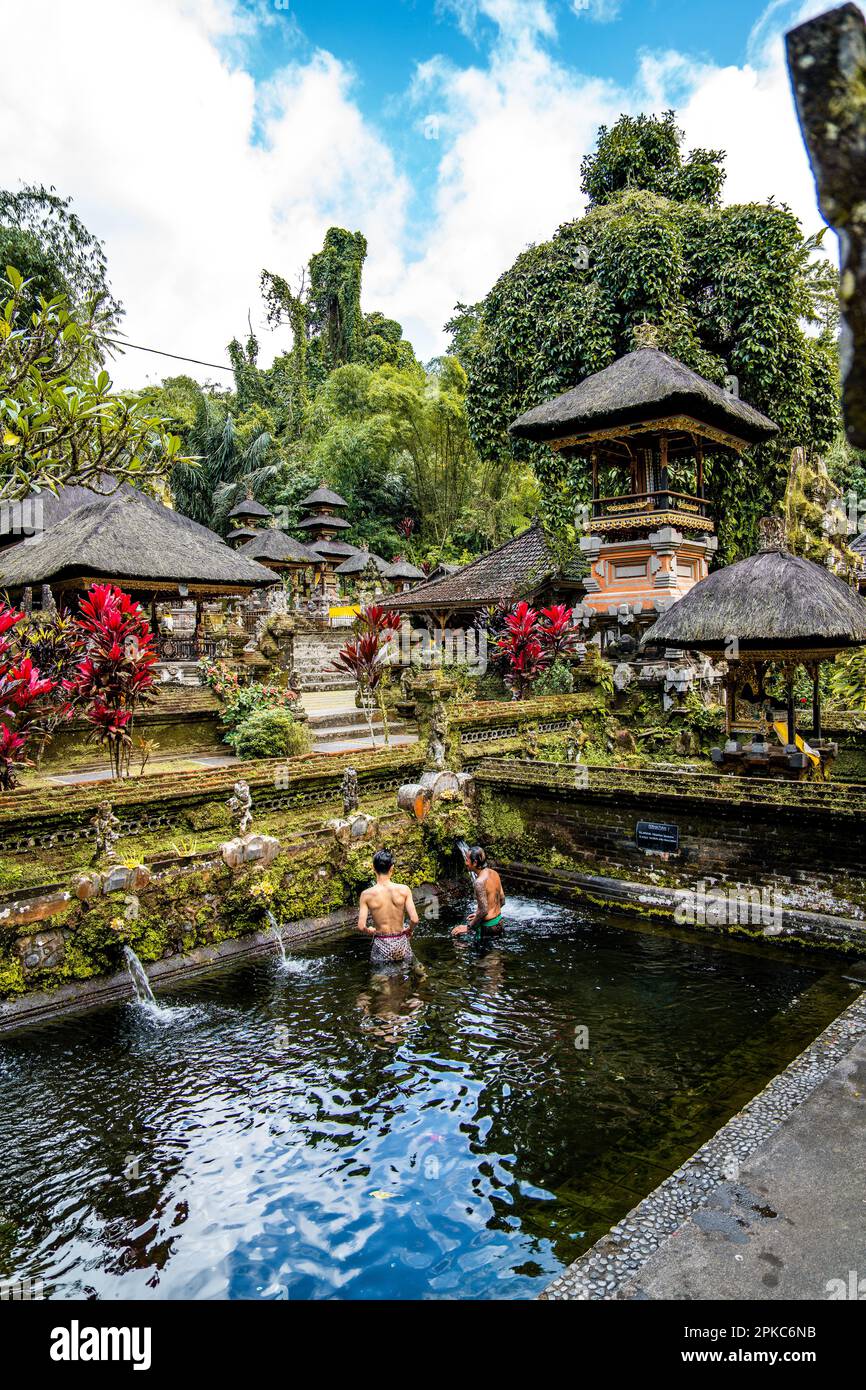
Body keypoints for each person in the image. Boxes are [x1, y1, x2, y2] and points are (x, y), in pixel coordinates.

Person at [357, 848, 421, 969]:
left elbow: (361, 926)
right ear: (392, 868)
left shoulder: (366, 894)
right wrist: (410, 930)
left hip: (381, 943)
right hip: (401, 942)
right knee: (409, 970)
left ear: (373, 868)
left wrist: (369, 930)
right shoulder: (404, 890)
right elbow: (415, 919)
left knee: (381, 978)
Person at [452, 847, 505, 943]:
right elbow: (502, 900)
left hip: (487, 928)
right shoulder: (494, 873)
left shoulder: (479, 882)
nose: (466, 863)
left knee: (483, 957)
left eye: (467, 860)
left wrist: (468, 927)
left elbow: (483, 910)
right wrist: (478, 915)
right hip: (499, 923)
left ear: (475, 863)